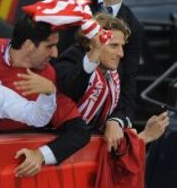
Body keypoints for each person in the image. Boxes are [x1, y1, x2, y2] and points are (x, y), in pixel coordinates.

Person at [0, 15, 90, 177]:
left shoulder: (47, 77)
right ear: (29, 45)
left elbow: (79, 131)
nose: (55, 53)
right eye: (50, 46)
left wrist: (40, 155)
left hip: (7, 169)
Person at [54, 13, 167, 152]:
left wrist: (113, 121)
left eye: (122, 46)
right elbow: (71, 88)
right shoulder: (73, 59)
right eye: (114, 46)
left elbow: (119, 106)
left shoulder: (114, 69)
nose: (121, 54)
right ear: (92, 43)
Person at [76, 0, 144, 120]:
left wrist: (119, 119)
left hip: (103, 108)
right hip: (66, 93)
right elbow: (57, 8)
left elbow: (128, 77)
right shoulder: (80, 2)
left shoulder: (134, 26)